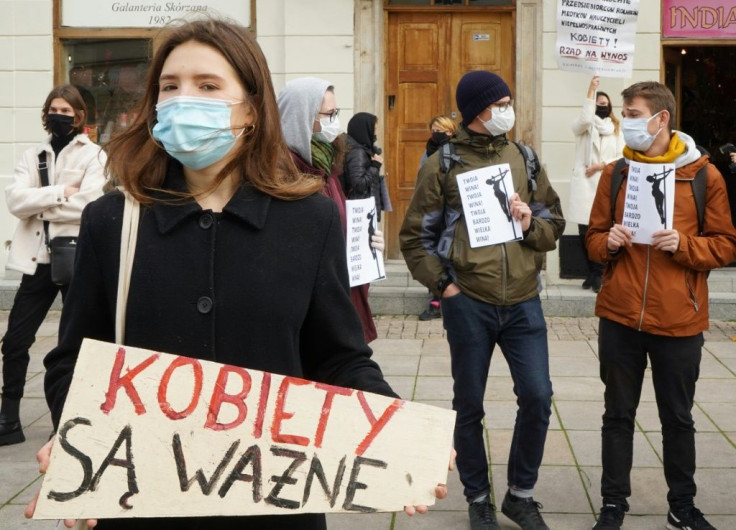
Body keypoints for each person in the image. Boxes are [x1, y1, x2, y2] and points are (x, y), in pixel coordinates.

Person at [25, 19, 447, 530]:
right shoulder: (111, 221)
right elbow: (73, 359)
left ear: (250, 107)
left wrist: (389, 423)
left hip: (273, 507)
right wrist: (76, 443)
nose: (183, 100)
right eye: (169, 86)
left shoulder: (310, 220)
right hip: (141, 506)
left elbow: (338, 356)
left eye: (207, 86)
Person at [400, 70, 565, 530]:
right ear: (479, 111)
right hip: (469, 300)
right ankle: (478, 498)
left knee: (537, 396)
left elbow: (555, 224)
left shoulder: (524, 157)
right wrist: (445, 287)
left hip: (524, 302)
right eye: (503, 102)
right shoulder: (443, 164)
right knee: (468, 402)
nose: (509, 110)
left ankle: (521, 494)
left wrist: (532, 222)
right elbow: (416, 239)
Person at [586, 81, 736, 530]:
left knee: (678, 419)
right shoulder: (616, 174)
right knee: (617, 416)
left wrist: (686, 245)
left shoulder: (704, 175)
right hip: (620, 315)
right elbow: (591, 238)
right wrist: (606, 244)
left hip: (679, 318)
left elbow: (726, 245)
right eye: (626, 113)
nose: (625, 120)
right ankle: (613, 505)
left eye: (632, 113)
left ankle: (682, 507)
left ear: (661, 118)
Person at [0, 85, 106, 446]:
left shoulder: (94, 155)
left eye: (66, 109)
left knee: (73, 341)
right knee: (14, 341)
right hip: (36, 260)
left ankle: (67, 419)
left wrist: (38, 201)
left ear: (79, 115)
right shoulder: (33, 155)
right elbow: (15, 201)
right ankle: (8, 419)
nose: (59, 115)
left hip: (74, 257)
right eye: (53, 109)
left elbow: (90, 205)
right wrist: (62, 192)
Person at [277, 78, 381, 343]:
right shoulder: (282, 175)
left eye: (337, 113)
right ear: (303, 117)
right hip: (310, 320)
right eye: (329, 114)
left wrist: (365, 240)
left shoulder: (327, 166)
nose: (335, 121)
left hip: (338, 301)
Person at [569, 76, 624, 293]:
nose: (601, 107)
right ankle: (590, 271)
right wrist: (591, 89)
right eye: (597, 104)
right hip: (584, 183)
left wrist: (600, 165)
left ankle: (600, 271)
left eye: (604, 104)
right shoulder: (584, 126)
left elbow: (621, 156)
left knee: (603, 228)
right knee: (584, 231)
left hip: (605, 182)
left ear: (610, 107)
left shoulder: (617, 128)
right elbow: (583, 118)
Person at [417, 115, 458, 321]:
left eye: (442, 129)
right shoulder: (428, 151)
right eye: (434, 128)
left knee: (449, 254)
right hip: (433, 212)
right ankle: (435, 301)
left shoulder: (459, 151)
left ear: (452, 131)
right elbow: (421, 178)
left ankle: (453, 299)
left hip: (452, 213)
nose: (438, 133)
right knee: (433, 255)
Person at [343, 112, 391, 220]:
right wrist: (375, 166)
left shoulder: (363, 149)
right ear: (365, 130)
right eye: (374, 129)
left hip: (364, 209)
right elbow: (359, 184)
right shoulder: (357, 152)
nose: (376, 132)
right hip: (361, 212)